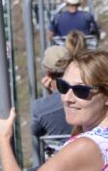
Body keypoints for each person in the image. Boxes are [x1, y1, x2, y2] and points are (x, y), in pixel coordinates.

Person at [30, 34, 83, 163]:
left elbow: (35, 131)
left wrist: (50, 95)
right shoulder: (85, 94)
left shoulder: (40, 107)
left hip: (60, 163)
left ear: (47, 72)